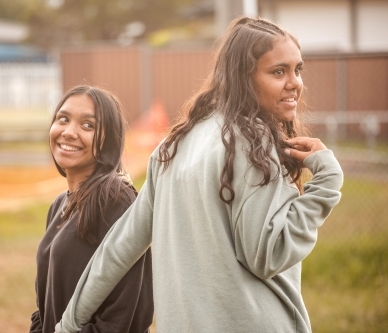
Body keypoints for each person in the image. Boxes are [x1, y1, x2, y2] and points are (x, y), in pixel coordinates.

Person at [55, 17, 344, 333]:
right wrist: (327, 182)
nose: (295, 83)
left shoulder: (172, 146)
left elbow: (117, 249)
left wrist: (68, 325)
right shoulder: (252, 141)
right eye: (278, 72)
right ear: (243, 77)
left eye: (297, 69)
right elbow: (268, 254)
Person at [29, 85, 154, 333]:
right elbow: (45, 304)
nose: (69, 132)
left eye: (88, 125)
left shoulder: (116, 201)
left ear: (108, 140)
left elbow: (126, 315)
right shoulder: (59, 206)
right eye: (63, 119)